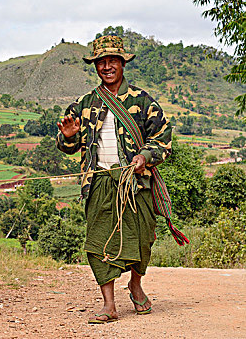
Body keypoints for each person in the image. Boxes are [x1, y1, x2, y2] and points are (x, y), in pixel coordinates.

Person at [56, 35, 172, 324]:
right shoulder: (83, 104)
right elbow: (67, 144)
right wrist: (68, 137)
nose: (107, 67)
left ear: (122, 64)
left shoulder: (142, 101)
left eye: (112, 61)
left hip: (136, 182)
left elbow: (162, 139)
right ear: (95, 66)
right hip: (99, 184)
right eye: (101, 62)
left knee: (143, 238)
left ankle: (135, 284)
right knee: (99, 243)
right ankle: (109, 304)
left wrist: (144, 156)